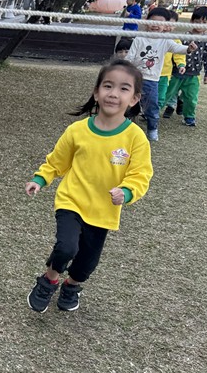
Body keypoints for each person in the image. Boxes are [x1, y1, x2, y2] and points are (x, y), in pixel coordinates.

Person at [25, 60, 154, 313]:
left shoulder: (135, 137)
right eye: (108, 86)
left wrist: (127, 191)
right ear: (96, 92)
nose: (113, 93)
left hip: (103, 210)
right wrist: (40, 179)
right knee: (66, 247)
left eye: (124, 88)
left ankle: (71, 285)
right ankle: (49, 280)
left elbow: (141, 174)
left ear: (134, 98)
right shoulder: (77, 130)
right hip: (71, 201)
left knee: (87, 263)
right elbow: (57, 161)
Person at [126, 7, 196, 141]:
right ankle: (125, 126)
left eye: (160, 23)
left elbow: (177, 48)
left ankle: (152, 129)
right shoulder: (139, 38)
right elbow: (130, 57)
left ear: (165, 26)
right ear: (146, 22)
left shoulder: (165, 40)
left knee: (152, 106)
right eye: (153, 22)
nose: (156, 25)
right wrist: (125, 70)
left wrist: (189, 49)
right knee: (129, 103)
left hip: (152, 80)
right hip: (134, 78)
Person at [162, 5, 207, 128]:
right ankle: (154, 112)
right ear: (191, 21)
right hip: (177, 72)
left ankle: (189, 116)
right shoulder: (184, 37)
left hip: (194, 74)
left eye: (204, 22)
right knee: (166, 94)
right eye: (197, 21)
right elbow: (175, 53)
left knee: (191, 97)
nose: (200, 25)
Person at [156, 9, 186, 111]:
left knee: (161, 96)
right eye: (166, 23)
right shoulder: (153, 36)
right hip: (149, 72)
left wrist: (181, 64)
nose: (168, 27)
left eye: (171, 24)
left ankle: (154, 114)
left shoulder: (175, 40)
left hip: (164, 74)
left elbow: (179, 54)